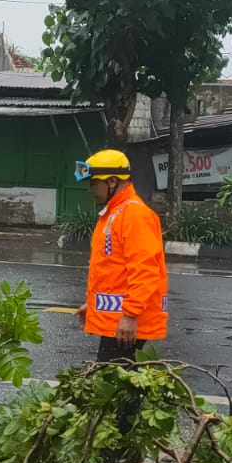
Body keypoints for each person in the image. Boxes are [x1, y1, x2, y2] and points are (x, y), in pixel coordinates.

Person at [74, 149, 168, 447]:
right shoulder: (116, 213)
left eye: (94, 184)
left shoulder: (134, 215)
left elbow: (144, 270)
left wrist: (130, 314)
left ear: (112, 181)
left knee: (114, 392)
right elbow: (113, 270)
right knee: (119, 390)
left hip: (126, 323)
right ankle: (120, 451)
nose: (91, 191)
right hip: (119, 320)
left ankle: (115, 455)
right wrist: (93, 302)